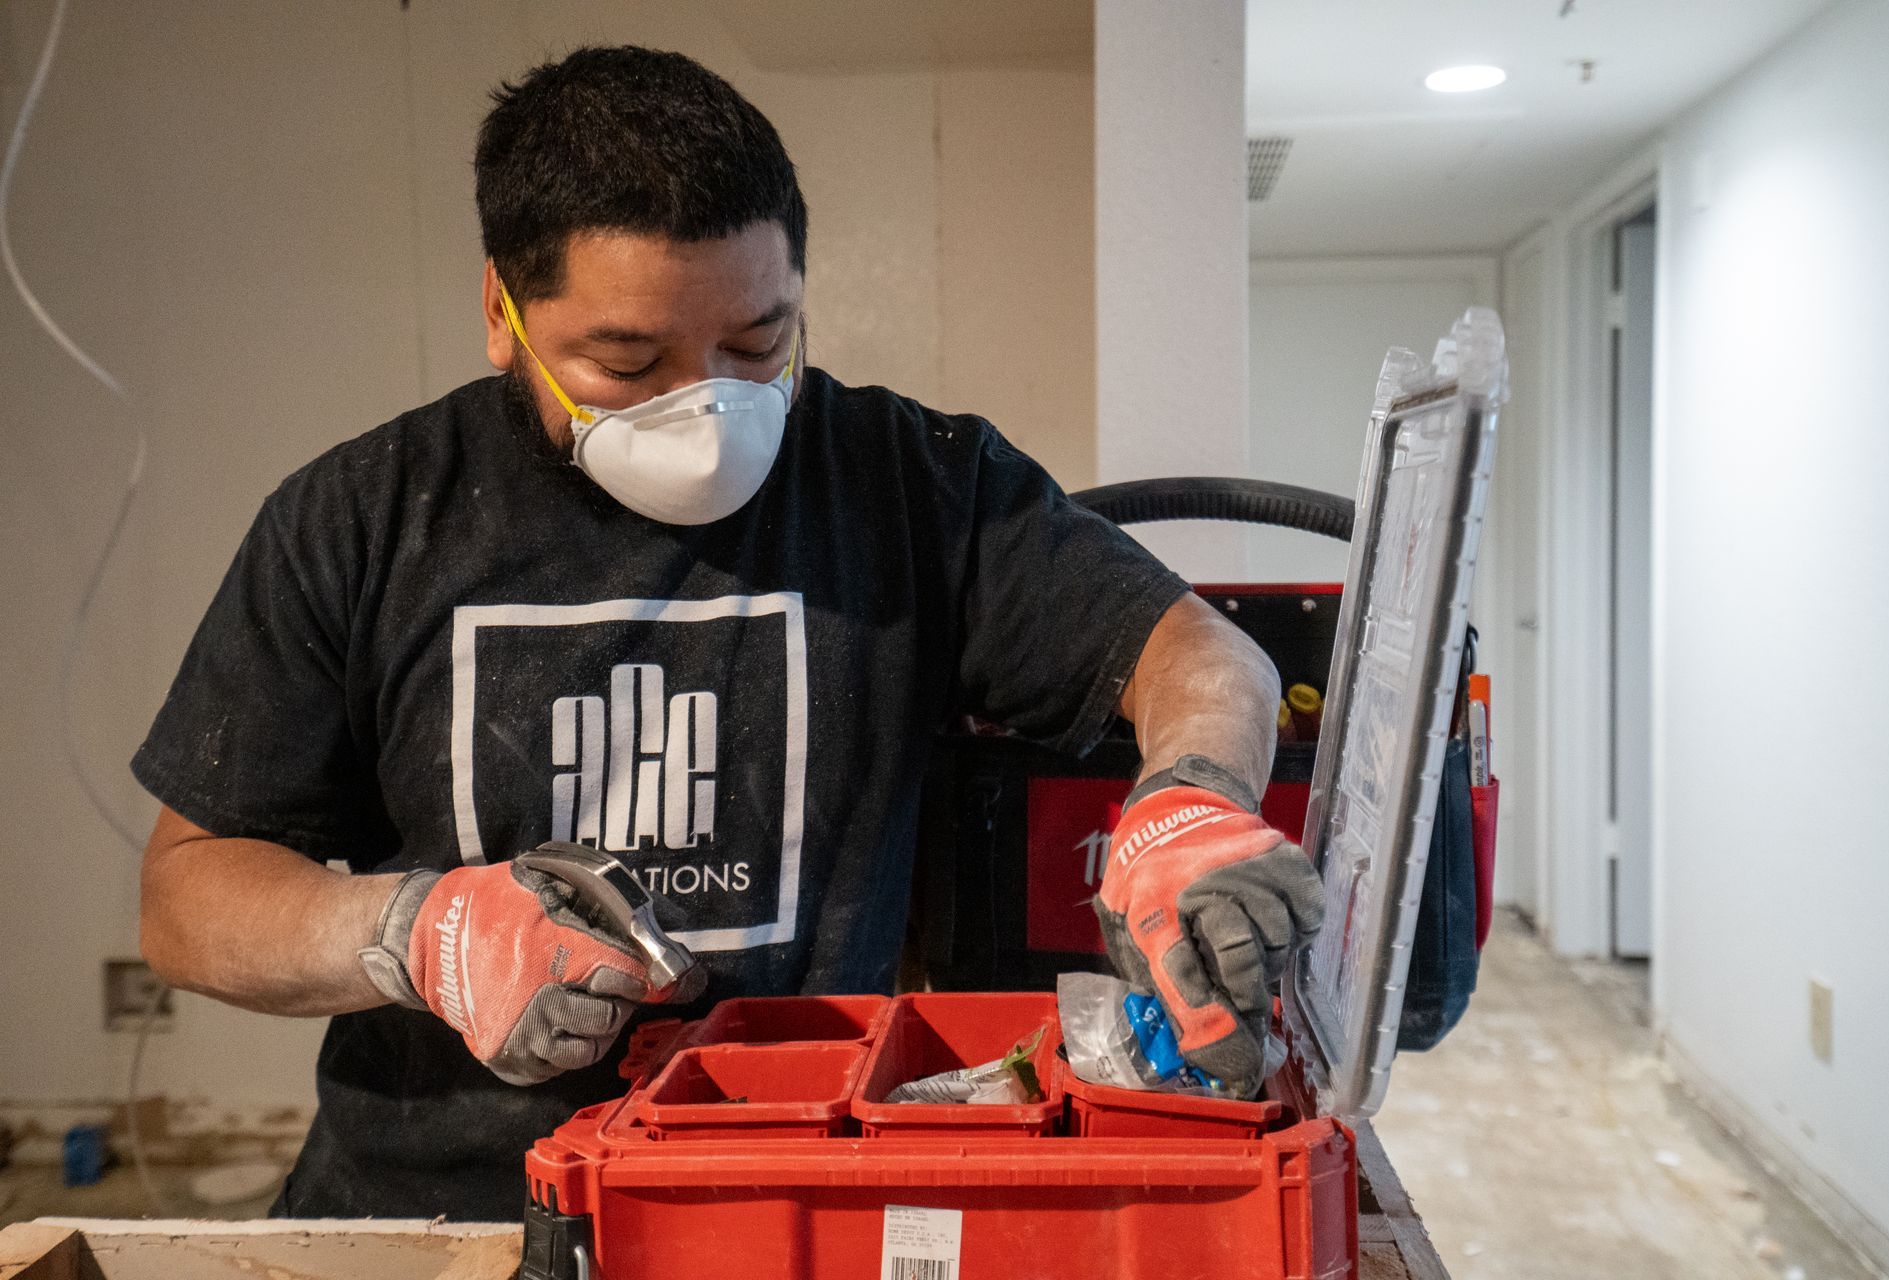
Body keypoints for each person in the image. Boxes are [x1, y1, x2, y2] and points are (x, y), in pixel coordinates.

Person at [133, 46, 1324, 1221]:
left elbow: (1202, 655)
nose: (705, 412)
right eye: (628, 361)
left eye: (757, 346)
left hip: (788, 1198)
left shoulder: (909, 484)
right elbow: (186, 900)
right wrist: (412, 931)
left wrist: (1192, 802)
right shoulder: (365, 519)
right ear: (501, 311)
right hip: (439, 1210)